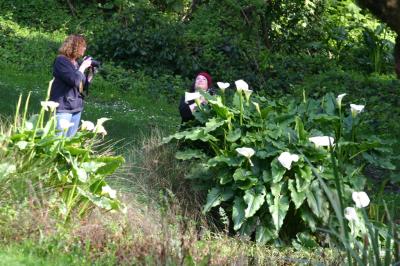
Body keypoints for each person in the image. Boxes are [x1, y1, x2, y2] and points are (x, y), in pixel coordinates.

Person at [49, 34, 93, 137]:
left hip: (76, 108)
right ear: (74, 46)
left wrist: (90, 74)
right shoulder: (61, 61)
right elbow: (73, 80)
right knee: (57, 141)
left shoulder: (76, 63)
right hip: (63, 108)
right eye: (83, 46)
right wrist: (82, 67)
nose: (85, 48)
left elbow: (81, 86)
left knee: (69, 143)